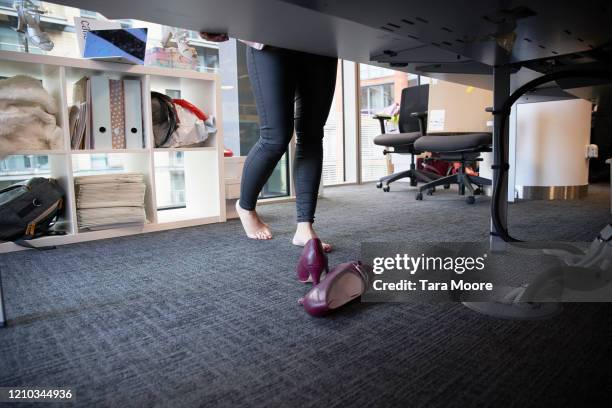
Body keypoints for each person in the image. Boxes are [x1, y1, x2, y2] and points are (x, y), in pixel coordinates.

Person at [201, 34, 337, 252]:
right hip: (270, 36)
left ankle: (305, 227)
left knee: (312, 135)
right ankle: (245, 206)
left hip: (320, 40)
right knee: (276, 136)